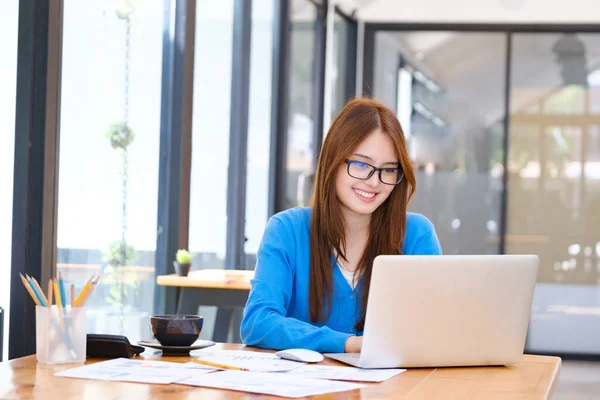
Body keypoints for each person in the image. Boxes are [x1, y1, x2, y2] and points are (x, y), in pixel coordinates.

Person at [240, 97, 442, 354]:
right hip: (304, 391)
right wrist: (347, 344)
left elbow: (434, 328)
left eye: (388, 170)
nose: (374, 181)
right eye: (361, 164)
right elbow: (258, 323)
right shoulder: (287, 230)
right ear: (333, 161)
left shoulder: (416, 235)